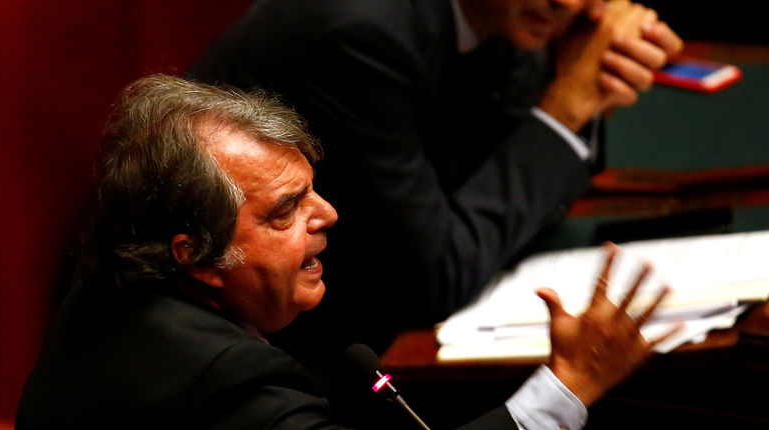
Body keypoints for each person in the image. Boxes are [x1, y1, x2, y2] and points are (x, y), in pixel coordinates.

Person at [0, 75, 676, 430]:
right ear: (197, 256)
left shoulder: (107, 290)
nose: (327, 216)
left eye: (311, 188)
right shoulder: (218, 375)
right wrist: (572, 381)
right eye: (284, 211)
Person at [188, 0, 684, 363]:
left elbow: (502, 187)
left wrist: (577, 69)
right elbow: (437, 275)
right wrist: (569, 103)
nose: (569, 4)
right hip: (261, 346)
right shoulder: (363, 33)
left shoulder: (502, 18)